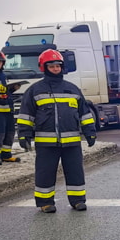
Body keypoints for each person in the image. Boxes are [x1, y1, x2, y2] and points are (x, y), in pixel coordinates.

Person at [16, 49, 97, 213]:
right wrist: (24, 134)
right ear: (44, 68)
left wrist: (90, 131)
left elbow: (85, 114)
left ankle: (78, 200)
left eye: (58, 66)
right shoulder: (34, 90)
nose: (55, 69)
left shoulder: (72, 89)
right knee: (45, 173)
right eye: (51, 66)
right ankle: (45, 203)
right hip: (46, 143)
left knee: (75, 172)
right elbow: (26, 114)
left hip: (72, 142)